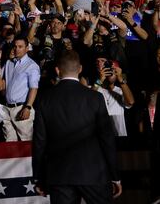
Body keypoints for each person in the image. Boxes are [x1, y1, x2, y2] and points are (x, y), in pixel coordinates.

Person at [32, 52, 122, 203]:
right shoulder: (95, 97)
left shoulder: (44, 99)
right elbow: (107, 138)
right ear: (80, 69)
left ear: (57, 70)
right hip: (94, 174)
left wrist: (39, 177)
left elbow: (39, 142)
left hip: (60, 175)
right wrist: (115, 176)